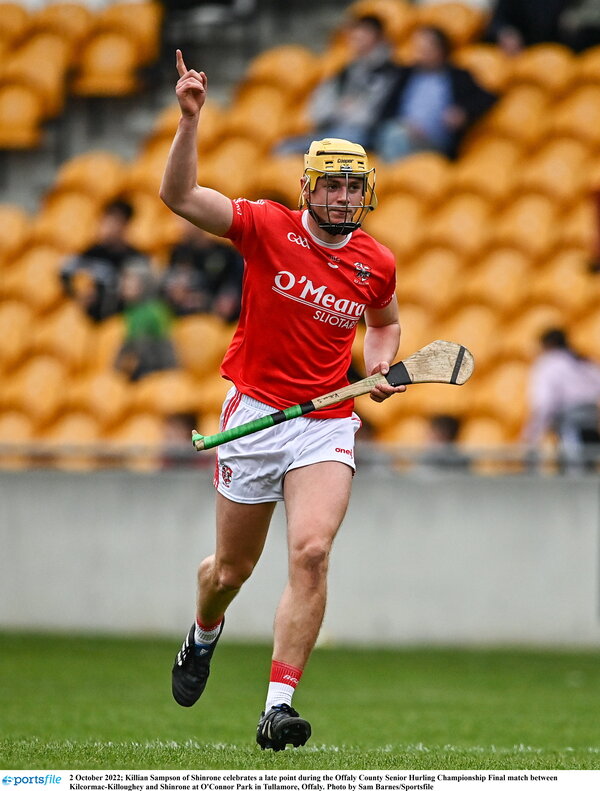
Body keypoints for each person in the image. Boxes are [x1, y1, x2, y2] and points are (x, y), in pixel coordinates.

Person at [159, 50, 405, 751]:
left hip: (325, 421)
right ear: (308, 188)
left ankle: (278, 705)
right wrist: (189, 120)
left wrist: (378, 365)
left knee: (312, 551)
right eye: (332, 185)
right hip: (255, 416)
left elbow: (384, 322)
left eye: (353, 186)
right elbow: (181, 197)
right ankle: (204, 630)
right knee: (229, 571)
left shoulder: (376, 261)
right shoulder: (266, 227)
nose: (343, 197)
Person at [275, 15, 397, 154]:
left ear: (377, 37)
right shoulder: (346, 70)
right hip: (335, 129)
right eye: (355, 35)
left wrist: (342, 110)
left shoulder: (388, 71)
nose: (357, 39)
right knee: (285, 147)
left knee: (294, 150)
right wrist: (337, 110)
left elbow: (371, 114)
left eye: (363, 34)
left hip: (364, 134)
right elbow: (319, 109)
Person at [373, 25, 497, 162]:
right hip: (401, 131)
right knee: (389, 133)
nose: (419, 53)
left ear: (440, 50)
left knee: (395, 136)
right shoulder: (406, 73)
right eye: (417, 48)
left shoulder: (458, 76)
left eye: (425, 49)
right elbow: (386, 108)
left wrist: (463, 111)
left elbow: (487, 98)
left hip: (435, 144)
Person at [522, 328, 600, 472]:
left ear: (546, 345)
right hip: (592, 430)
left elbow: (544, 403)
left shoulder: (549, 364)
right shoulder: (585, 363)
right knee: (588, 472)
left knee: (575, 474)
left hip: (571, 430)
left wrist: (532, 435)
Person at [61, 200, 148, 322]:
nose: (109, 226)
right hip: (88, 319)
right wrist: (79, 293)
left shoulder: (135, 258)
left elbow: (139, 295)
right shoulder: (92, 252)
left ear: (125, 225)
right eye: (107, 220)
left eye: (115, 222)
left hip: (120, 320)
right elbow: (65, 271)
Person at [162, 218, 243, 322]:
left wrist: (227, 297)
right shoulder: (178, 252)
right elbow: (171, 285)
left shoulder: (225, 253)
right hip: (184, 316)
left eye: (186, 221)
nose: (182, 226)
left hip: (217, 314)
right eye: (181, 221)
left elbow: (234, 283)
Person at [114, 262, 178, 382]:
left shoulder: (154, 311)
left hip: (154, 373)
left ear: (145, 284)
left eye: (130, 280)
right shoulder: (131, 311)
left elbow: (166, 348)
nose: (124, 284)